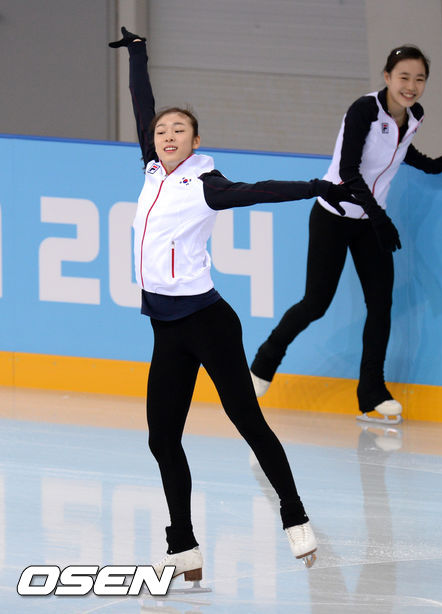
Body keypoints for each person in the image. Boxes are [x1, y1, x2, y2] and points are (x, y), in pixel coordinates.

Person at [109, 27, 361, 583]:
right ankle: (183, 545)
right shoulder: (151, 168)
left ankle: (295, 515)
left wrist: (316, 186)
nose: (167, 135)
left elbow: (259, 190)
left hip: (208, 323)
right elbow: (142, 104)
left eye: (179, 130)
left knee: (247, 419)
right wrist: (138, 53)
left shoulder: (206, 184)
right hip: (166, 328)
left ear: (195, 141)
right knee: (161, 438)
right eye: (162, 131)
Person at [250, 45, 442, 425]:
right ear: (387, 77)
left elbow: (399, 149)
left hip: (369, 222)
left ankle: (372, 393)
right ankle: (264, 363)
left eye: (419, 79)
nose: (411, 86)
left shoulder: (414, 115)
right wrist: (379, 217)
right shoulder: (364, 110)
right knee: (316, 303)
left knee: (380, 307)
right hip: (333, 216)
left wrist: (431, 165)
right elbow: (349, 169)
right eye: (404, 77)